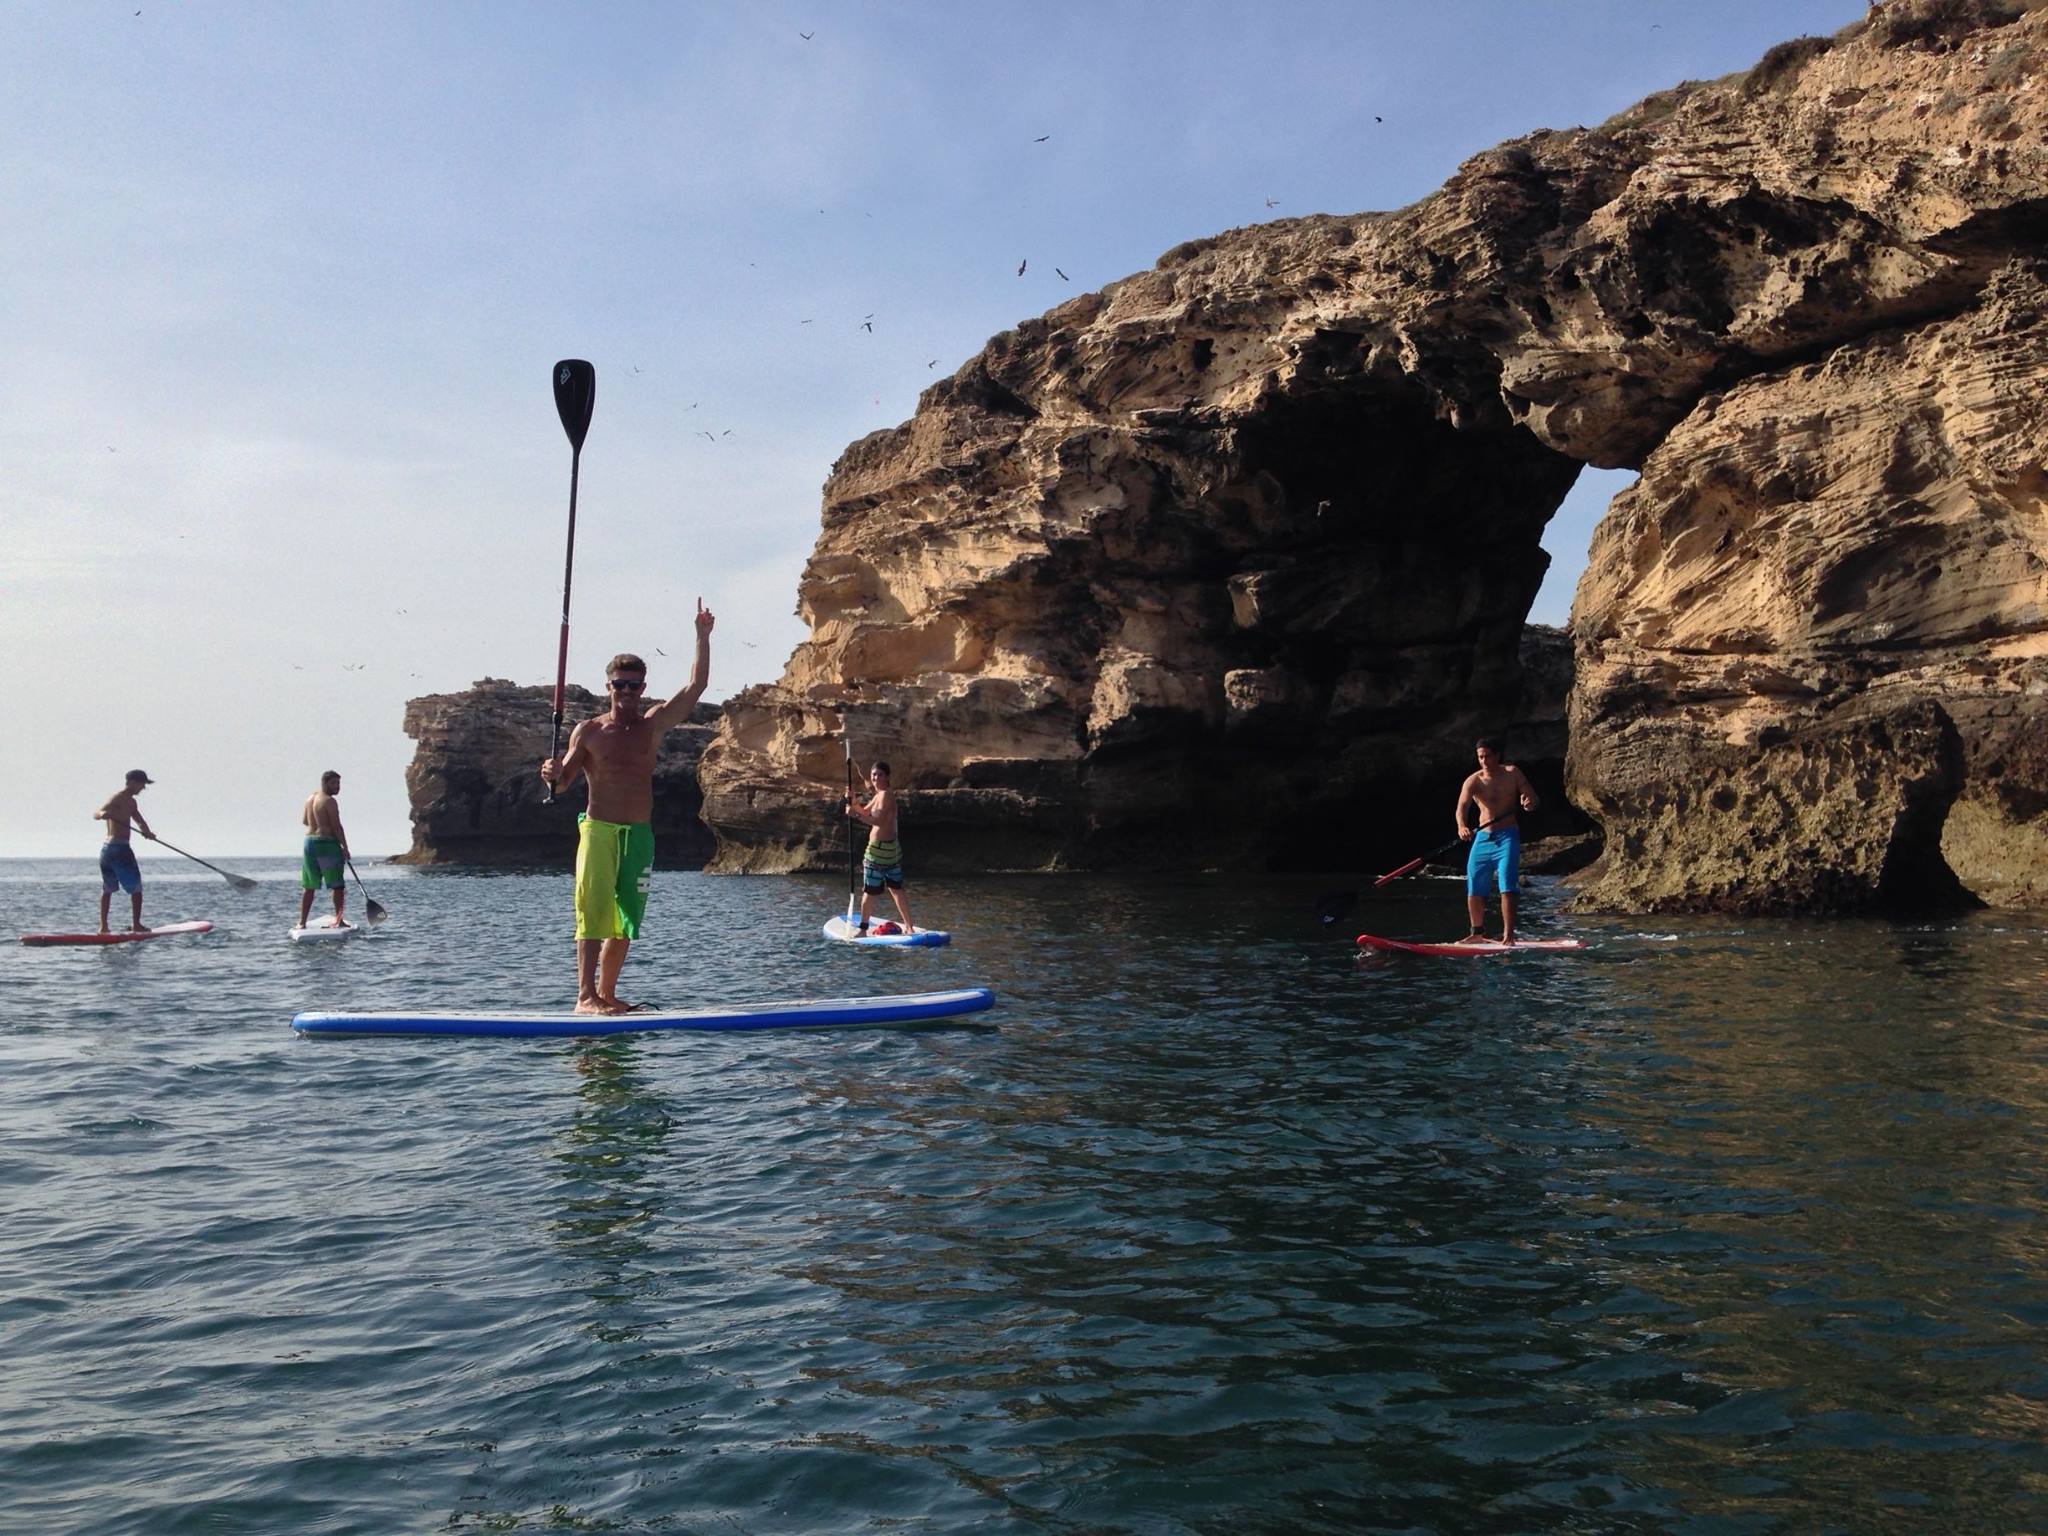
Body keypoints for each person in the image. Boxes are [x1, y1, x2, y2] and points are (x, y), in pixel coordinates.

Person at [539, 600, 714, 1014]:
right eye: (620, 684)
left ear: (643, 686)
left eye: (635, 684)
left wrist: (702, 638)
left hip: (638, 834)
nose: (628, 692)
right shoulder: (589, 731)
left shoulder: (652, 725)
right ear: (609, 687)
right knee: (593, 915)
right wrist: (551, 772)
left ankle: (608, 994)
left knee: (624, 921)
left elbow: (695, 688)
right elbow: (562, 784)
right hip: (599, 832)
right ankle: (585, 997)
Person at [1455, 736, 1540, 944]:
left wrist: (1529, 803)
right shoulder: (1473, 780)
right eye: (1480, 757)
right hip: (1483, 838)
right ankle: (1477, 933)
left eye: (1487, 756)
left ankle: (1508, 935)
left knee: (1507, 884)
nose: (1483, 761)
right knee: (1474, 884)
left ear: (1497, 756)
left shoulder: (1512, 773)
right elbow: (1461, 808)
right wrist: (1462, 827)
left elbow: (1533, 799)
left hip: (1507, 836)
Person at [844, 759, 917, 936]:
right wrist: (852, 801)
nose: (876, 778)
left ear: (887, 777)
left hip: (879, 852)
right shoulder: (879, 795)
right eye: (873, 775)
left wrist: (854, 814)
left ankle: (863, 931)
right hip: (889, 851)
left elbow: (878, 821)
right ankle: (908, 926)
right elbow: (865, 812)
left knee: (871, 891)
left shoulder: (886, 795)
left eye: (880, 774)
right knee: (894, 889)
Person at [93, 770, 156, 933]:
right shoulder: (118, 798)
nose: (143, 788)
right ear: (133, 782)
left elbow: (140, 821)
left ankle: (104, 927)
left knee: (108, 889)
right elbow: (97, 813)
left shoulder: (131, 802)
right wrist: (103, 814)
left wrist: (147, 832)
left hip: (108, 851)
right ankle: (133, 925)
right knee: (136, 888)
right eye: (142, 784)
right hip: (118, 849)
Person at [299, 770, 351, 929]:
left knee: (309, 886)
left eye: (339, 783)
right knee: (337, 885)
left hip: (309, 843)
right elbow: (337, 826)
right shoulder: (329, 801)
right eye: (334, 783)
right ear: (325, 783)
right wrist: (345, 847)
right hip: (326, 844)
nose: (338, 787)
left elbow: (305, 821)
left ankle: (302, 923)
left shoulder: (309, 799)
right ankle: (339, 920)